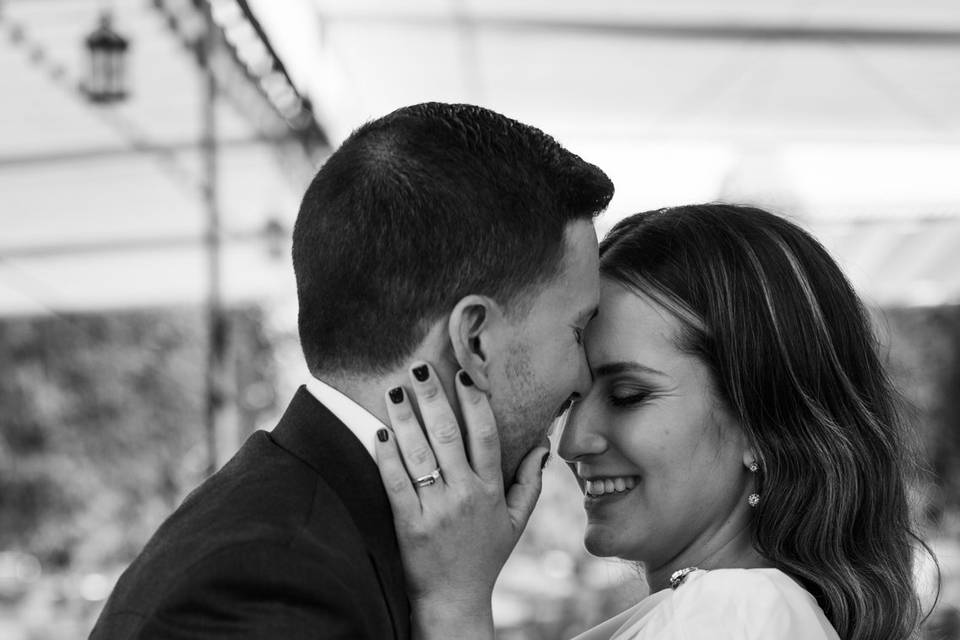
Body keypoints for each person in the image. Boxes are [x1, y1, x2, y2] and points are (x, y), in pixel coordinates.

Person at [89, 103, 614, 639]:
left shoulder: (311, 528)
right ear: (474, 339)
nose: (584, 381)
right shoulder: (271, 588)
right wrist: (459, 611)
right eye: (577, 332)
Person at [375, 204, 928, 640]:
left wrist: (455, 606)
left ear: (761, 421)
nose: (572, 441)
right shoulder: (729, 610)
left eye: (628, 394)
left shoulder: (738, 614)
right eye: (574, 398)